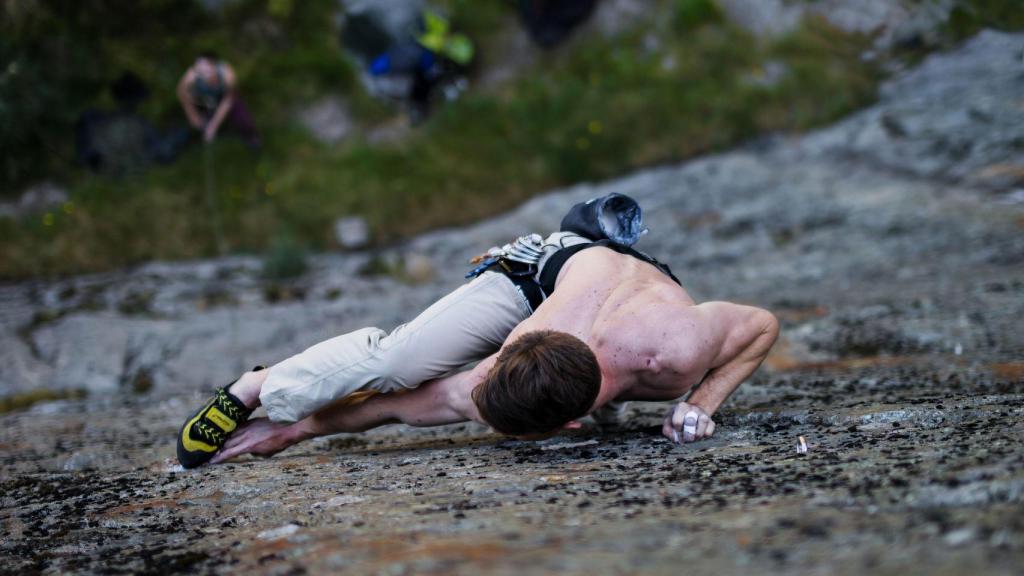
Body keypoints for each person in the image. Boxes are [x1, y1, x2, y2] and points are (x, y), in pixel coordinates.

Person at [177, 194, 779, 468]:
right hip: (538, 276)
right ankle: (259, 387)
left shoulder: (674, 352)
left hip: (624, 300)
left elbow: (760, 325)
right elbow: (404, 402)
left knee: (424, 386)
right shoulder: (515, 360)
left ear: (567, 425)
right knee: (399, 359)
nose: (476, 404)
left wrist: (702, 402)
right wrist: (295, 426)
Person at [176, 52, 259, 147]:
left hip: (226, 98)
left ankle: (251, 137)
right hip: (206, 99)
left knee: (244, 120)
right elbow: (181, 92)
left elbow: (228, 99)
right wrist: (192, 115)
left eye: (206, 68)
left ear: (215, 65)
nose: (202, 72)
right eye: (199, 69)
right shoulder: (191, 76)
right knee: (198, 123)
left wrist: (213, 126)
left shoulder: (227, 74)